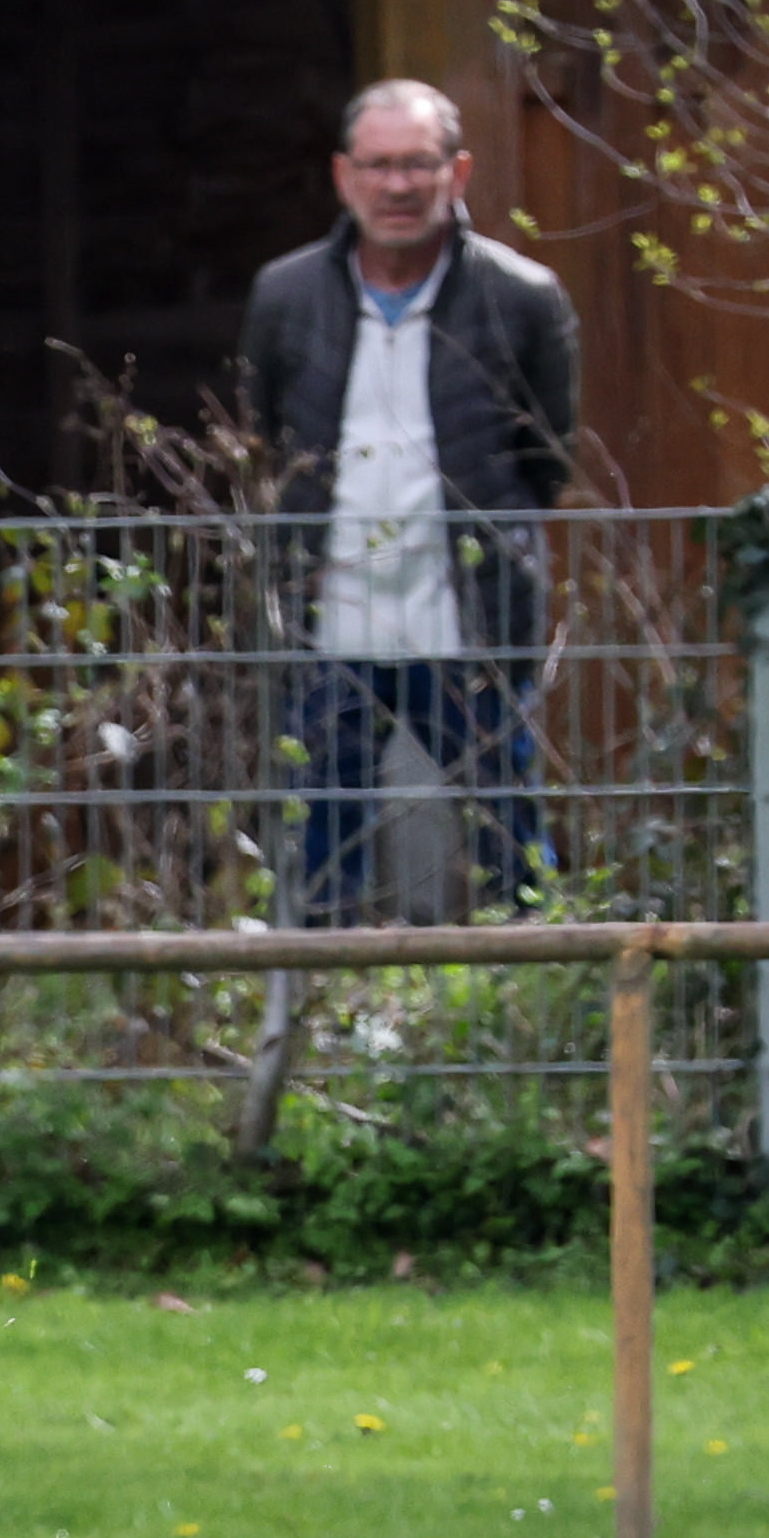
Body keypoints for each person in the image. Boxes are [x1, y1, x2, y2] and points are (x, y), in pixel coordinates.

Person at [245, 76, 582, 925]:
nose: (398, 186)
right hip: (333, 623)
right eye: (379, 165)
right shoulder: (285, 297)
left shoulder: (522, 298)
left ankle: (533, 990)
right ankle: (321, 996)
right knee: (322, 853)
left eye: (418, 164)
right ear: (344, 175)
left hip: (469, 620)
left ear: (457, 172)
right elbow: (266, 434)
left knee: (509, 838)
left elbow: (546, 460)